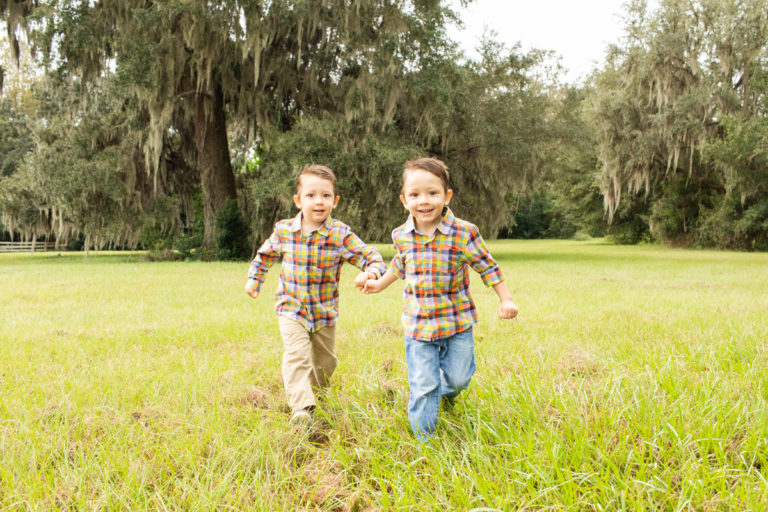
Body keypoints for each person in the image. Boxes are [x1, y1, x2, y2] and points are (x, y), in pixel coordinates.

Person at [360, 157, 518, 441]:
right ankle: (425, 441)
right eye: (415, 194)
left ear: (447, 196)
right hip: (418, 323)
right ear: (404, 199)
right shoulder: (401, 235)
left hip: (457, 321)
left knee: (458, 379)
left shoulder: (464, 232)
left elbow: (487, 266)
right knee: (423, 383)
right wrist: (379, 284)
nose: (424, 201)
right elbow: (400, 264)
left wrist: (505, 299)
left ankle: (444, 394)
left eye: (432, 193)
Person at [245, 164, 386, 426]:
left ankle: (317, 395)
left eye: (325, 195)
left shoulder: (340, 234)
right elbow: (264, 257)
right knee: (296, 355)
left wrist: (371, 273)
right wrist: (255, 280)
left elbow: (371, 257)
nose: (318, 201)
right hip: (291, 307)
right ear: (298, 201)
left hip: (323, 312)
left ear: (335, 201)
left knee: (325, 362)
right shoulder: (284, 230)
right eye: (310, 196)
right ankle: (302, 409)